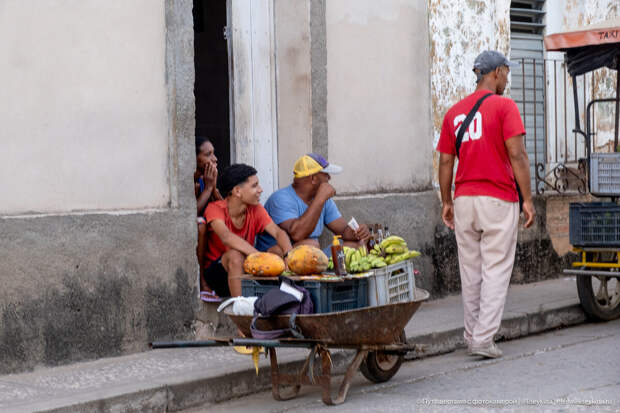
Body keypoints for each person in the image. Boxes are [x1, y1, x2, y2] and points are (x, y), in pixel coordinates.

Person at [436, 50, 536, 359]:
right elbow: (517, 155)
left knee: (471, 271)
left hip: (465, 199)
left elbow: (444, 161)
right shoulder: (505, 106)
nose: (507, 78)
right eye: (506, 72)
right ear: (495, 73)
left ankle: (472, 334)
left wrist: (447, 201)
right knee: (496, 269)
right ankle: (482, 339)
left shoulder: (454, 113)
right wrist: (528, 199)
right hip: (497, 198)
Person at [203, 164, 293, 297]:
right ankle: (240, 307)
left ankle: (283, 298)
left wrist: (288, 255)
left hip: (246, 269)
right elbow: (227, 237)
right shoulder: (215, 208)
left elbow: (278, 232)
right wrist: (259, 256)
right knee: (235, 255)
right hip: (219, 274)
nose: (260, 190)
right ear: (237, 191)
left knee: (278, 251)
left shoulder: (256, 209)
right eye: (254, 186)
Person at [256, 153, 370, 255]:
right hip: (278, 260)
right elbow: (298, 234)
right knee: (310, 245)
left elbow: (343, 230)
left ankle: (323, 272)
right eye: (326, 174)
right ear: (313, 178)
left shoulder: (322, 198)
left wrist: (357, 232)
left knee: (356, 246)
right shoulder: (280, 199)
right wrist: (320, 198)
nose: (329, 178)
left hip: (313, 255)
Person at [194, 137, 223, 302]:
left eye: (214, 153)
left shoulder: (206, 178)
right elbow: (191, 213)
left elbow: (222, 208)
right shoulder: (192, 180)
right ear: (195, 158)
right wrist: (209, 188)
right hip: (196, 229)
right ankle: (202, 281)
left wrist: (213, 187)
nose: (214, 159)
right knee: (201, 225)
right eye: (208, 154)